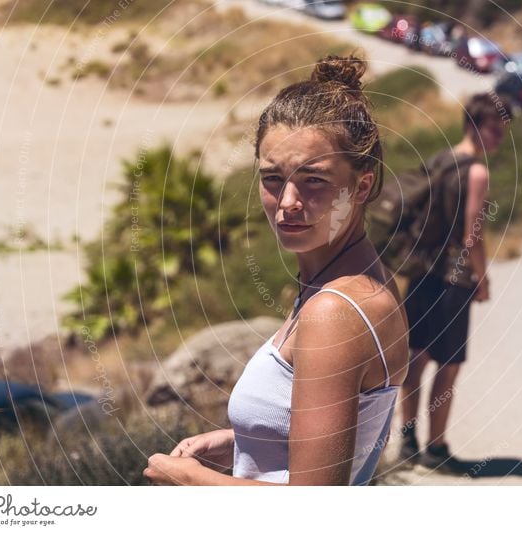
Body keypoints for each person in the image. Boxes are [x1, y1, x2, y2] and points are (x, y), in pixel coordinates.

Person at [143, 54, 409, 486]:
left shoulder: (336, 311)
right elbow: (340, 439)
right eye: (272, 179)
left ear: (361, 185)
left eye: (314, 181)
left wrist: (188, 480)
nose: (287, 202)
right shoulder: (358, 280)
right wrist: (244, 441)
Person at [398, 93, 511, 471]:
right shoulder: (476, 172)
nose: (499, 139)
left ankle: (407, 440)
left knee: (415, 358)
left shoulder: (439, 162)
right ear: (475, 126)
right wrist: (482, 278)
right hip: (452, 278)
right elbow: (472, 234)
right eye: (495, 130)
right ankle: (437, 447)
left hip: (419, 273)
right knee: (448, 364)